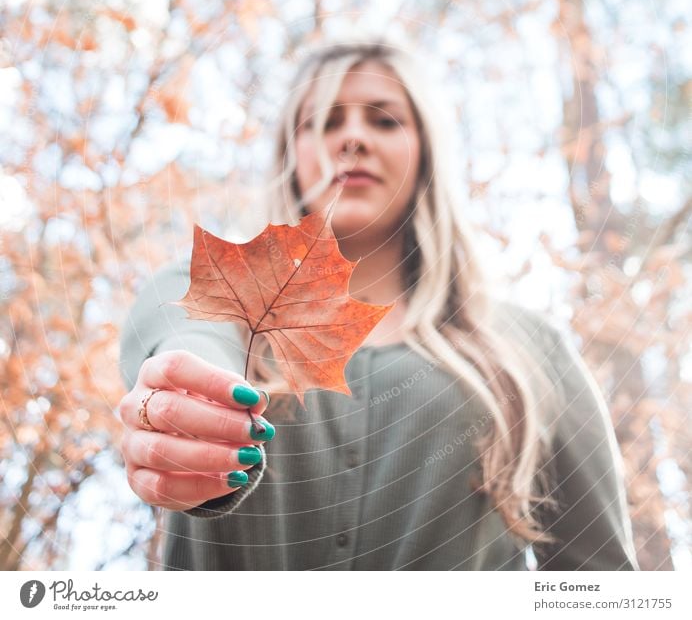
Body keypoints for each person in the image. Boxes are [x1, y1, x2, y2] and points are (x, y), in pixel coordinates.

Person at [118, 41, 640, 571]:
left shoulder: (529, 347)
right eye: (323, 122)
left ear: (426, 152)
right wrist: (190, 416)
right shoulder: (204, 286)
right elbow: (191, 348)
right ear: (290, 154)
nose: (352, 138)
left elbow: (602, 581)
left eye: (384, 120)